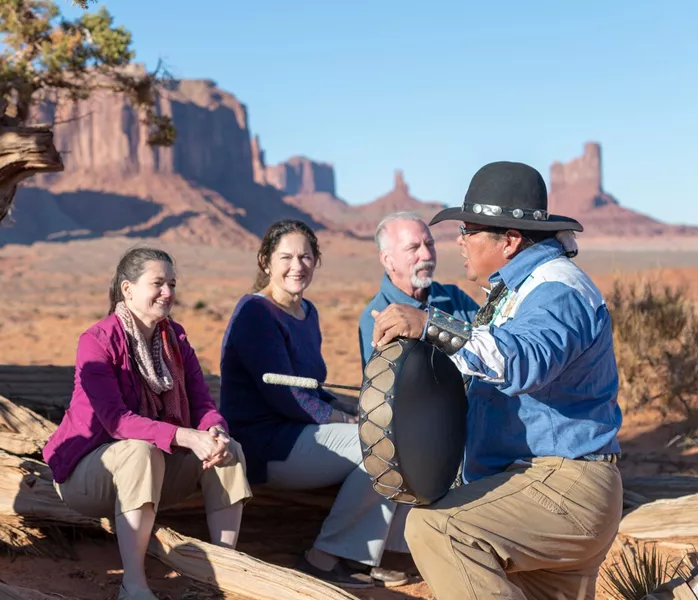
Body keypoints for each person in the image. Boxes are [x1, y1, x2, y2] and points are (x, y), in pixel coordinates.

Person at [371, 161, 623, 600]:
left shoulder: (556, 289)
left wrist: (431, 325)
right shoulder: (519, 288)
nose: (460, 241)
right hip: (541, 486)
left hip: (560, 488)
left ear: (508, 241)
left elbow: (523, 360)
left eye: (469, 230)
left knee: (437, 529)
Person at [43, 247, 252, 600]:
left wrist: (214, 430)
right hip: (88, 476)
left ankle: (222, 575)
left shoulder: (176, 338)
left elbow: (202, 402)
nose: (168, 293)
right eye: (158, 283)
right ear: (127, 289)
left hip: (154, 469)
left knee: (229, 451)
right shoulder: (97, 341)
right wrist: (186, 436)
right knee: (142, 451)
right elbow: (117, 421)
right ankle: (134, 586)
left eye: (172, 283)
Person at [219, 219, 412, 589]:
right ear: (265, 262)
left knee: (390, 433)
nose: (298, 266)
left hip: (300, 433)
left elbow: (313, 386)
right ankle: (321, 560)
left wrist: (352, 410)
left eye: (306, 257)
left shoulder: (308, 312)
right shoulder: (255, 313)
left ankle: (372, 556)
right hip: (266, 442)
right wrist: (342, 417)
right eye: (286, 257)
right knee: (376, 444)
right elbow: (285, 394)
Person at [358, 212, 479, 366]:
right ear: (388, 260)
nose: (427, 255)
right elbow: (382, 384)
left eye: (429, 244)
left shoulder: (455, 297)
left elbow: (490, 348)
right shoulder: (376, 315)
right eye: (413, 247)